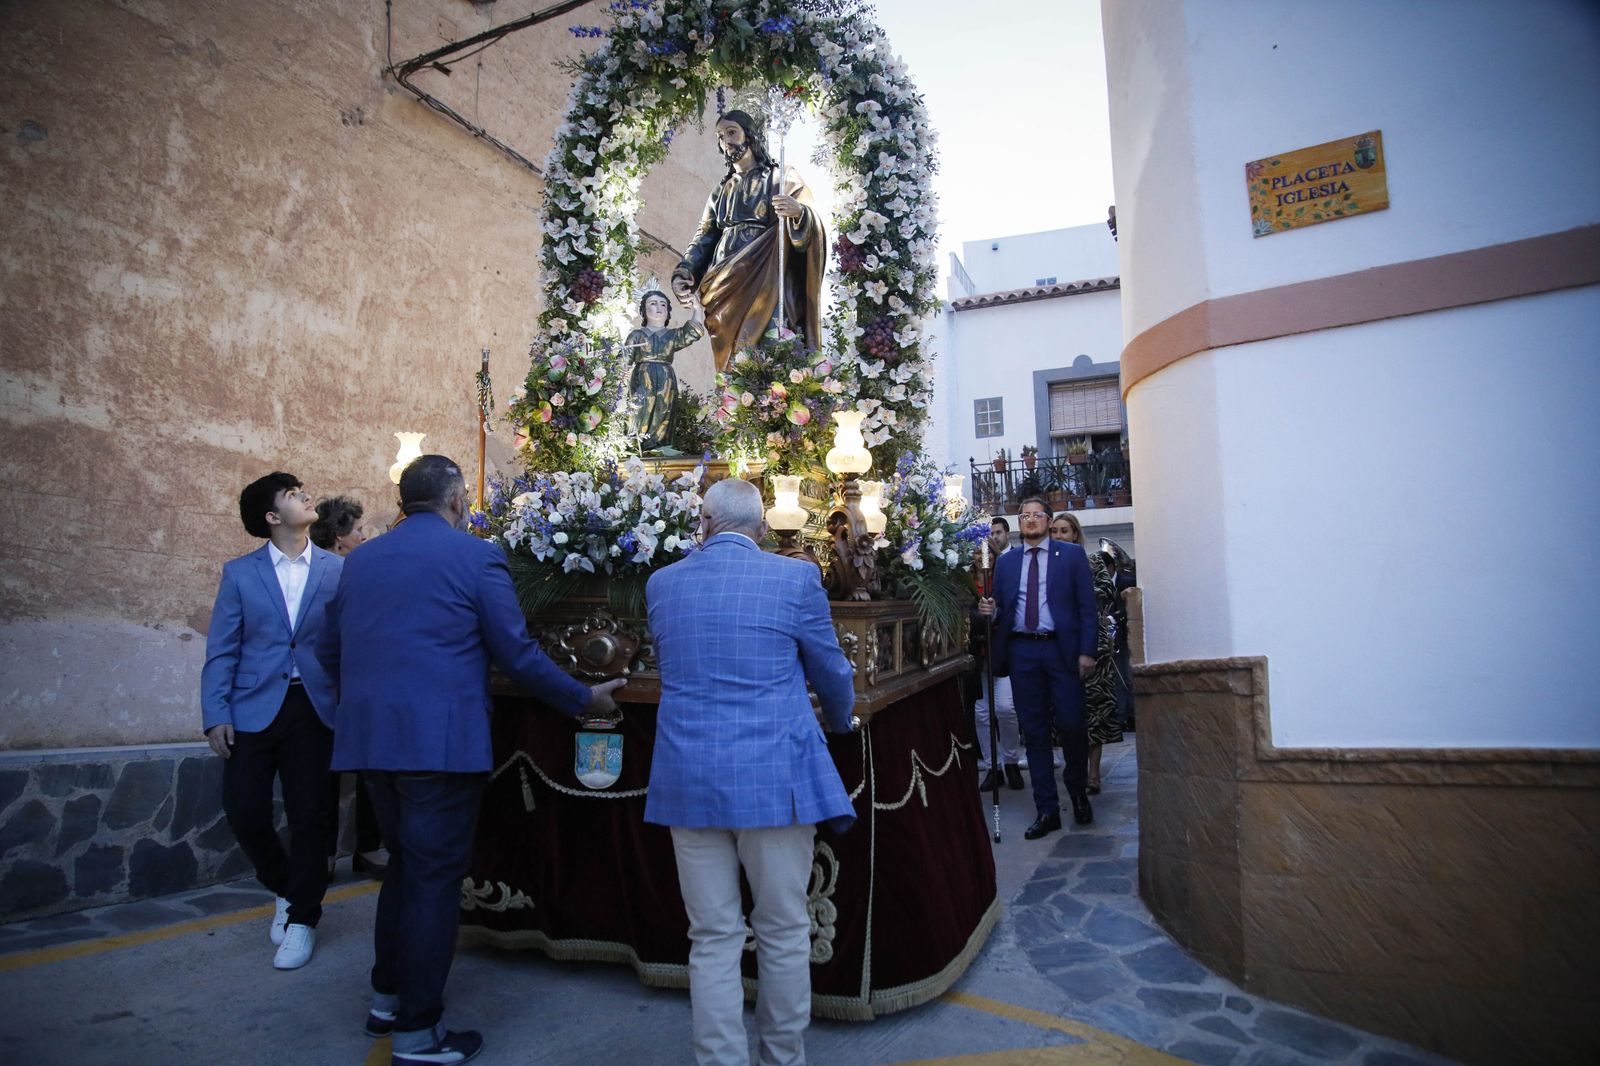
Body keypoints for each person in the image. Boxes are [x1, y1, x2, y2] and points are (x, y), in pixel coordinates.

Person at [318, 455, 624, 1066]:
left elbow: (330, 648)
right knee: (433, 881)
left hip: (371, 740)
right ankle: (417, 1032)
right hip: (438, 742)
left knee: (405, 869)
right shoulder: (476, 556)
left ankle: (386, 997)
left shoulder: (362, 561)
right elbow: (513, 651)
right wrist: (581, 695)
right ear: (457, 499)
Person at [645, 477, 857, 1066]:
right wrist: (840, 724)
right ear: (762, 529)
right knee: (784, 928)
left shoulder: (661, 584)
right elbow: (832, 673)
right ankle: (783, 1058)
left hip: (689, 776)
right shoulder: (793, 578)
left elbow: (670, 661)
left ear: (703, 524)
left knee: (710, 937)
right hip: (774, 776)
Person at [200, 472, 341, 970]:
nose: (307, 495)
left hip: (314, 708)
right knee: (244, 809)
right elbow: (222, 648)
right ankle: (285, 887)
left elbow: (347, 643)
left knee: (311, 818)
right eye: (292, 493)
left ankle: (303, 919)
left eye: (304, 489)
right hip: (252, 708)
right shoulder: (240, 573)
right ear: (272, 517)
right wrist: (215, 711)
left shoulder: (337, 569)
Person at [978, 497, 1097, 840]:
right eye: (1024, 515)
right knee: (1035, 731)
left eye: (1036, 515)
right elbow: (1002, 607)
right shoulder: (1007, 562)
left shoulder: (1071, 556)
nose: (1030, 520)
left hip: (1062, 650)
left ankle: (1076, 791)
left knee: (1072, 724)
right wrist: (992, 611)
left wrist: (1088, 651)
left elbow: (1087, 607)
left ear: (1048, 520)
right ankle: (1046, 809)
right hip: (1022, 652)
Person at [671, 110, 826, 372]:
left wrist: (798, 213)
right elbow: (705, 236)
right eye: (720, 137)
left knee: (767, 347)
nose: (726, 141)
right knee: (733, 365)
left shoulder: (780, 177)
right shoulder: (721, 190)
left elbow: (811, 222)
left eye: (731, 132)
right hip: (724, 283)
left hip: (767, 277)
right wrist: (685, 271)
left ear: (750, 135)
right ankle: (736, 407)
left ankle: (771, 408)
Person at [309, 496, 385, 880]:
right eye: (357, 530)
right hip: (347, 682)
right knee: (368, 774)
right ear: (339, 538)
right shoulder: (349, 571)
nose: (363, 536)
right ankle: (367, 850)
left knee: (327, 778)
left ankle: (326, 856)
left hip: (325, 683)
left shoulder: (310, 568)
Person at [1050, 513, 1123, 795]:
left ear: (1076, 535)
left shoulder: (1091, 561)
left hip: (1094, 646)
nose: (1058, 535)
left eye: (1064, 530)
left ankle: (1093, 775)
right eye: (1054, 530)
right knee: (1065, 714)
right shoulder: (1046, 564)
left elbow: (1107, 592)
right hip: (1059, 647)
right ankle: (1073, 768)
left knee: (1096, 711)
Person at [625, 286, 706, 454]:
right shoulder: (637, 335)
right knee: (640, 411)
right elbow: (624, 360)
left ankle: (660, 449)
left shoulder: (672, 335)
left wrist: (697, 308)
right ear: (644, 310)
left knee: (664, 412)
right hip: (642, 378)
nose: (659, 308)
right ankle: (637, 448)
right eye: (653, 303)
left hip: (666, 381)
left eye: (663, 304)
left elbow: (694, 331)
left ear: (668, 311)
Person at [974, 517, 1022, 791]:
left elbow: (1011, 607)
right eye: (979, 554)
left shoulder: (1004, 577)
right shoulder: (967, 582)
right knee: (982, 712)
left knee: (1005, 708)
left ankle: (1011, 760)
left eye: (988, 553)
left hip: (1001, 654)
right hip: (980, 657)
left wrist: (995, 614)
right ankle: (993, 767)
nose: (984, 559)